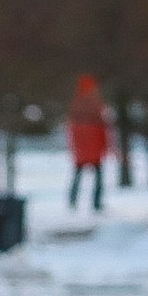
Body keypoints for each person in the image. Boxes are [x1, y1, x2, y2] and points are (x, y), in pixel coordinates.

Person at [67, 74, 110, 212]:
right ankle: (95, 203)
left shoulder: (77, 105)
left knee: (79, 176)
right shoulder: (96, 105)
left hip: (82, 150)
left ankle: (73, 200)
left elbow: (72, 130)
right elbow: (103, 129)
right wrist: (105, 146)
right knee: (97, 178)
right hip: (94, 149)